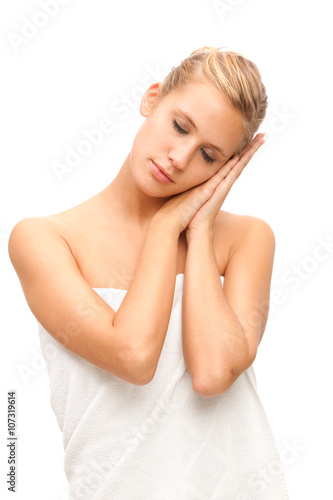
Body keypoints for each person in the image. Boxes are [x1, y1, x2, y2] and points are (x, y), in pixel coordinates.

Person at [8, 46, 290, 499]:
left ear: (228, 168)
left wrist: (197, 232)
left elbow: (212, 375)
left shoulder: (247, 240)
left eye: (209, 155)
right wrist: (164, 229)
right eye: (179, 127)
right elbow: (134, 357)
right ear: (152, 98)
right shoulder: (44, 240)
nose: (179, 158)